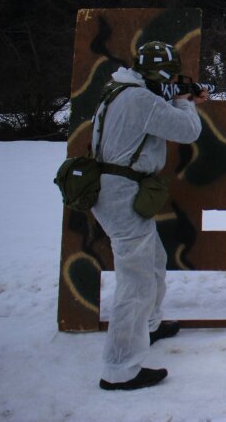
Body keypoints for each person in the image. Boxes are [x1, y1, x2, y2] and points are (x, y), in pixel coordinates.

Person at [91, 41, 208, 391]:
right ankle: (119, 369)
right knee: (135, 282)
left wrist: (176, 99)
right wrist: (184, 102)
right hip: (122, 195)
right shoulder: (140, 99)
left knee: (153, 260)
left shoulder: (121, 90)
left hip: (118, 190)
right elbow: (188, 131)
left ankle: (150, 326)